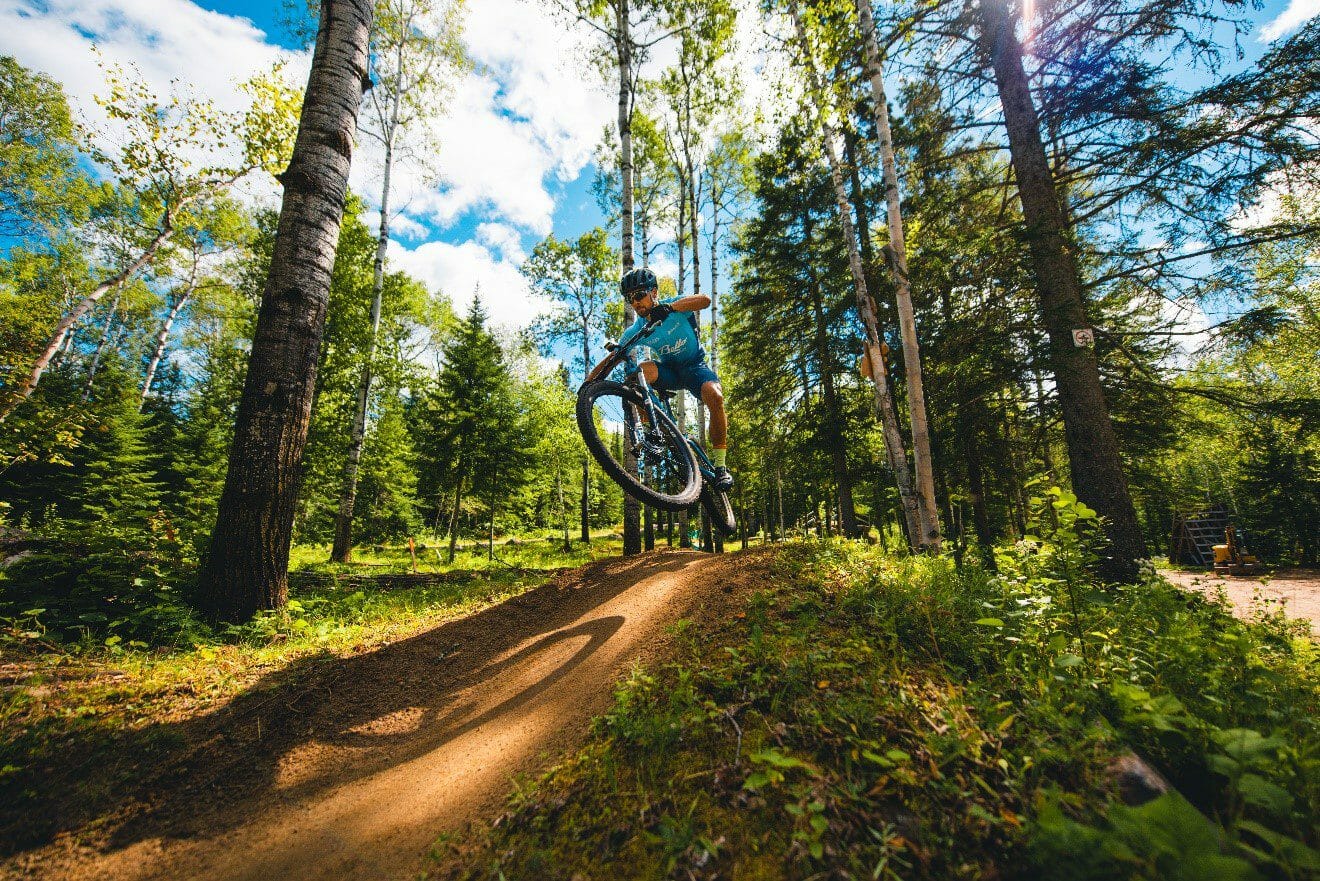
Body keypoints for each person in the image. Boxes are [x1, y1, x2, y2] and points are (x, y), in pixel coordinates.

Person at [586, 267, 733, 491]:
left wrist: (670, 308)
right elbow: (612, 359)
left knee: (715, 395)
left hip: (695, 367)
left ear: (654, 292)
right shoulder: (637, 329)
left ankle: (720, 466)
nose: (635, 302)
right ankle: (654, 434)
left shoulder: (674, 306)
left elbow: (704, 300)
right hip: (669, 372)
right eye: (630, 298)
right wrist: (587, 386)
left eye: (639, 295)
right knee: (638, 372)